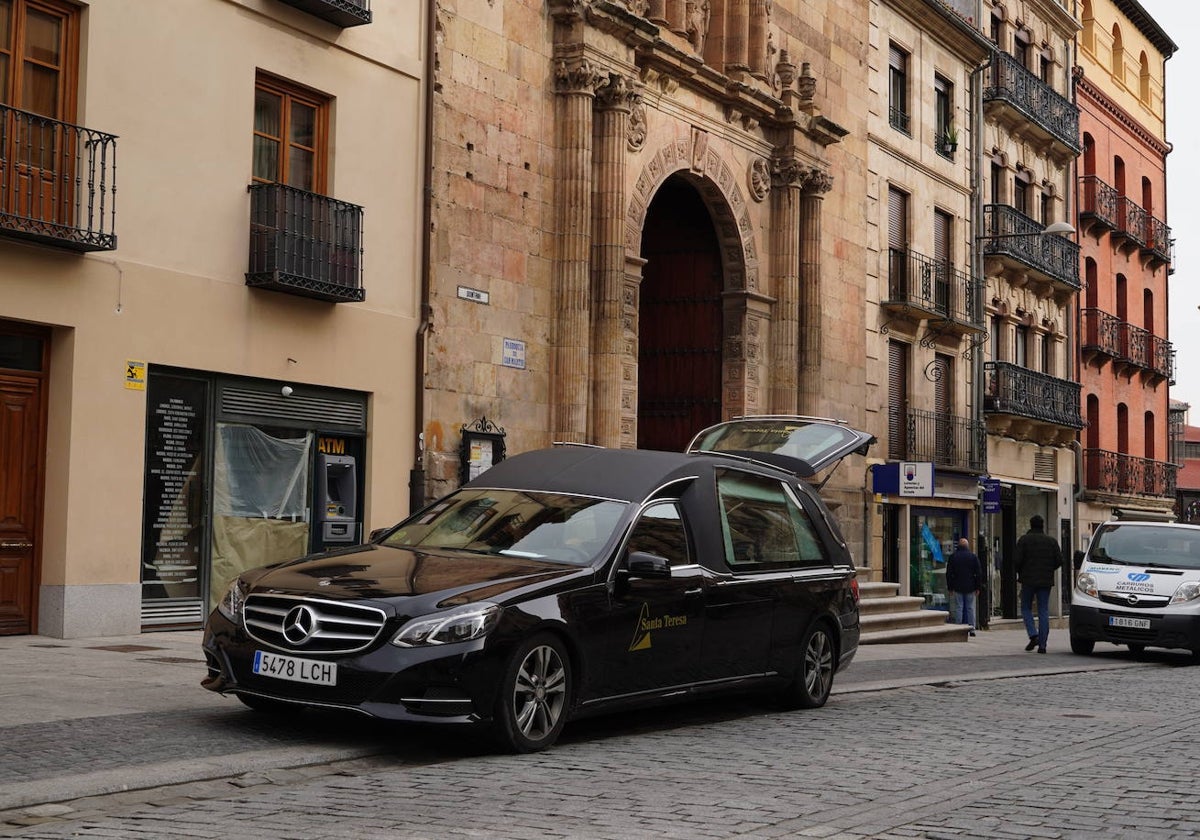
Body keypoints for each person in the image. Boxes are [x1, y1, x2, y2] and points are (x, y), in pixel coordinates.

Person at [1013, 514, 1063, 654]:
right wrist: (1048, 569)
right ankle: (1042, 644)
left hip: (1028, 580)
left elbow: (1016, 560)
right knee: (1043, 610)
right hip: (1045, 580)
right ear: (1042, 525)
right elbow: (1059, 560)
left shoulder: (1024, 540)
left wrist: (1020, 571)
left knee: (1025, 608)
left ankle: (1033, 634)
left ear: (1031, 525)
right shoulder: (1051, 541)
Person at [945, 537, 982, 636]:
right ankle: (972, 628)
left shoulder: (953, 557)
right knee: (970, 608)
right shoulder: (973, 557)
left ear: (958, 546)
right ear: (967, 546)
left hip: (957, 586)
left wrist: (950, 587)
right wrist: (978, 587)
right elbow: (978, 573)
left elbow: (949, 573)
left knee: (959, 607)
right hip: (970, 586)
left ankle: (958, 628)